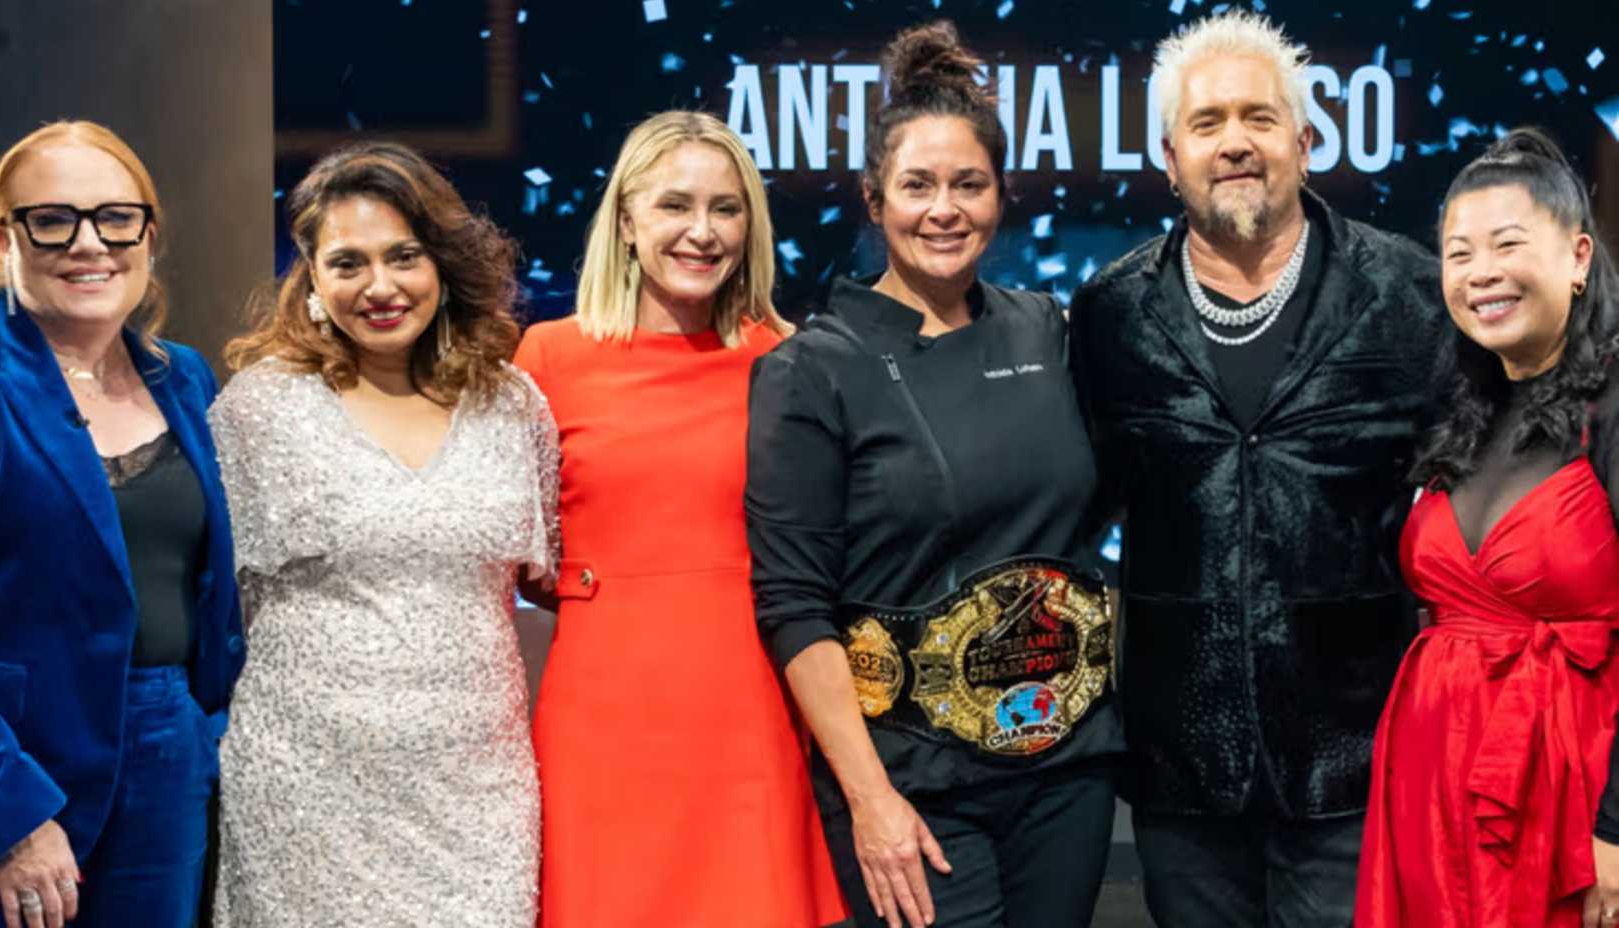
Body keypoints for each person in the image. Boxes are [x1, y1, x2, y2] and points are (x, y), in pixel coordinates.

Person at [1068, 10, 1451, 927]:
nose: (1234, 142)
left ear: (1307, 142)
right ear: (1169, 157)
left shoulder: (1411, 295)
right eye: (1207, 124)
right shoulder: (1108, 315)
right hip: (1181, 774)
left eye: (1259, 118)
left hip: (1358, 767)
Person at [747, 22, 1122, 928]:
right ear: (874, 201)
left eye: (969, 185)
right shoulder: (811, 369)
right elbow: (796, 608)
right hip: (911, 787)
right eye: (917, 186)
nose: (943, 209)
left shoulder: (1046, 330)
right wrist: (870, 798)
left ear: (1001, 198)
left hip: (1064, 774)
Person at [209, 141, 558, 927]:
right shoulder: (261, 411)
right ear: (310, 276)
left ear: (443, 264)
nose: (380, 287)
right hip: (304, 791)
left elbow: (546, 577)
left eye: (404, 256)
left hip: (477, 796)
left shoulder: (513, 406)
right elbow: (220, 602)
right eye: (348, 263)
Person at [514, 109, 845, 928]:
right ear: (626, 221)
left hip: (753, 714)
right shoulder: (546, 359)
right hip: (604, 718)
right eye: (674, 206)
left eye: (725, 209)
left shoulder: (789, 360)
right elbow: (516, 556)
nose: (702, 232)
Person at [0, 120, 244, 928]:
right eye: (52, 219)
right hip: (13, 759)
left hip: (167, 756)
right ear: (2, 236)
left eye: (115, 218)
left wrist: (202, 728)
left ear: (147, 234)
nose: (89, 244)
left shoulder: (183, 376)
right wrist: (4, 809)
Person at [1355, 129, 1619, 928]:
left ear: (1577, 257)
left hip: (1573, 784)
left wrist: (1617, 827)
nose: (1482, 274)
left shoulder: (1612, 407)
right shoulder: (1457, 409)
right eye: (1459, 253)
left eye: (1508, 244)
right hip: (1431, 784)